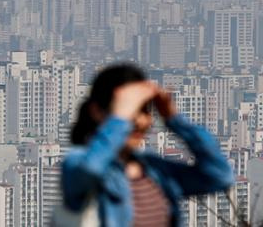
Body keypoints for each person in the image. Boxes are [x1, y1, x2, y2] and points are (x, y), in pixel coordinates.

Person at [61, 64, 234, 226]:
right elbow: (90, 170)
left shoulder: (156, 171)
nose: (138, 120)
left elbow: (220, 176)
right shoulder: (76, 163)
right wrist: (120, 120)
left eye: (144, 110)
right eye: (130, 110)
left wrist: (174, 118)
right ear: (97, 111)